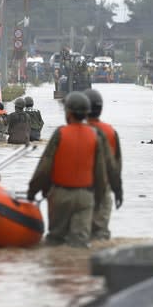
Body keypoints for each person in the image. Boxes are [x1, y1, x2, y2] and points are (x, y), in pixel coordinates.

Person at [26, 92, 110, 247]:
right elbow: (101, 173)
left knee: (55, 240)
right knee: (79, 244)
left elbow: (44, 167)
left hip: (61, 196)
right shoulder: (95, 135)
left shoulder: (60, 133)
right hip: (86, 197)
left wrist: (33, 191)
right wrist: (98, 199)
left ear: (69, 112)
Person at [84, 89, 124, 240]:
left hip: (80, 187)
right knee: (100, 234)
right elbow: (116, 165)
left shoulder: (75, 130)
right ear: (100, 109)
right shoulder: (111, 132)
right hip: (104, 188)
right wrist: (118, 190)